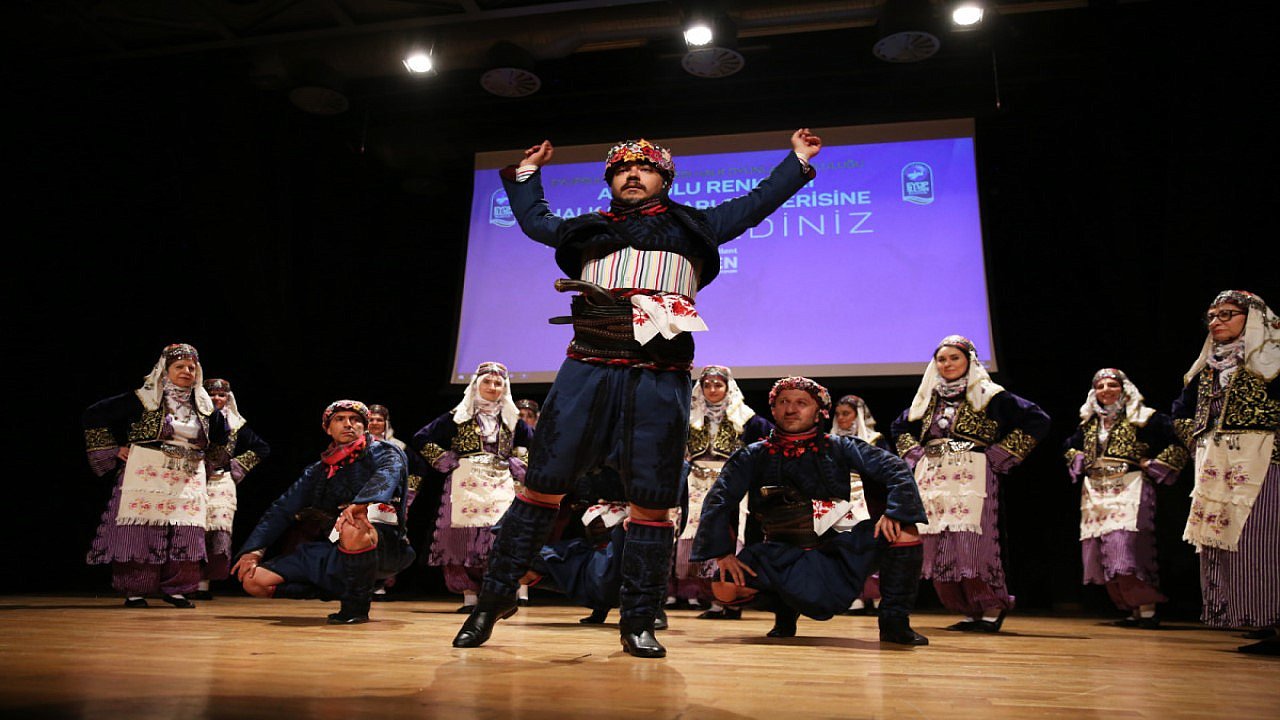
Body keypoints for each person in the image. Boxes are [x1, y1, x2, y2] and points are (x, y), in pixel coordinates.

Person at [452, 129, 822, 658]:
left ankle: (640, 618)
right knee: (541, 485)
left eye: (645, 169)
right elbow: (536, 222)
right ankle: (492, 601)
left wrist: (798, 160)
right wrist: (528, 173)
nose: (633, 174)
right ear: (610, 180)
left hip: (659, 372)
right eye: (622, 169)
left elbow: (757, 201)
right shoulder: (587, 229)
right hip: (588, 367)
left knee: (651, 501)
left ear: (664, 179)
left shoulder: (697, 226)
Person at [692, 377, 929, 645]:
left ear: (820, 411)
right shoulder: (754, 454)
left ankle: (894, 623)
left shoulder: (839, 446)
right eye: (783, 402)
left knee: (904, 532)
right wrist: (723, 553)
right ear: (773, 409)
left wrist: (895, 512)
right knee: (723, 587)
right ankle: (785, 613)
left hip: (837, 530)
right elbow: (720, 498)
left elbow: (895, 469)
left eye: (801, 403)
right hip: (780, 541)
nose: (790, 409)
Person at [890, 334, 1050, 633]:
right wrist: (915, 455)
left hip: (972, 475)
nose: (947, 364)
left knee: (972, 544)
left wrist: (999, 455)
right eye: (942, 359)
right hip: (934, 478)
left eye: (954, 358)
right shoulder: (928, 397)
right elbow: (899, 426)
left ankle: (990, 608)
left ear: (969, 361)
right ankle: (966, 610)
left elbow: (1037, 419)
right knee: (939, 543)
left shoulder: (990, 395)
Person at [231, 400, 414, 624]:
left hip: (384, 544)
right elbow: (282, 509)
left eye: (355, 420)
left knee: (353, 525)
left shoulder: (385, 451)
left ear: (364, 427)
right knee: (253, 580)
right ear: (327, 428)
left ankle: (355, 607)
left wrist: (361, 504)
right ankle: (346, 587)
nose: (348, 424)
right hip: (334, 548)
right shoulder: (318, 470)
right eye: (340, 419)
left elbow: (389, 471)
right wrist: (254, 551)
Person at [1173, 290, 1279, 655]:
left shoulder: (1272, 360)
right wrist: (1197, 439)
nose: (1216, 321)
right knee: (1225, 541)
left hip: (1265, 462)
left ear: (1252, 318)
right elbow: (1181, 413)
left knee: (1262, 541)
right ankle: (1259, 619)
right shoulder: (1206, 369)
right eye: (1212, 316)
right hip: (1216, 466)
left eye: (1227, 314)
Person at [82, 343, 229, 608]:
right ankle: (135, 590)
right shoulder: (144, 398)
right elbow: (95, 414)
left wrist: (208, 464)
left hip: (187, 473)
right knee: (141, 529)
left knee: (186, 530)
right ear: (165, 369)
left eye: (191, 368)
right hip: (148, 470)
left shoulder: (205, 407)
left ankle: (178, 589)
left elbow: (222, 438)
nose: (186, 371)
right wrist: (113, 449)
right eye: (179, 367)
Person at [1063, 369, 1186, 628]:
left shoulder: (1145, 418)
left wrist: (1153, 464)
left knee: (1127, 547)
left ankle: (1148, 608)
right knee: (1103, 549)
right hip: (1096, 491)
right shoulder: (1089, 422)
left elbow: (1177, 443)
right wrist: (1077, 458)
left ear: (1124, 388)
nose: (1106, 390)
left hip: (1130, 488)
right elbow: (1070, 446)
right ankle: (1133, 609)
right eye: (1100, 386)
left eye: (1112, 385)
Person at [415, 362, 532, 613]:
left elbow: (533, 445)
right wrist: (446, 460)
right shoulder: (459, 416)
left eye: (498, 383)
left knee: (496, 538)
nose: (492, 387)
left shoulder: (512, 420)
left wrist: (517, 462)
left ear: (505, 387)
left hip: (499, 484)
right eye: (487, 382)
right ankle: (469, 596)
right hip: (464, 484)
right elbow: (421, 438)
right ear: (476, 385)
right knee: (461, 538)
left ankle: (495, 595)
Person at [676, 365, 773, 619]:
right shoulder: (689, 417)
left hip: (731, 486)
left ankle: (732, 600)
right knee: (696, 538)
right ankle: (714, 600)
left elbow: (766, 448)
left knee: (726, 539)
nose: (712, 390)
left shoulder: (748, 419)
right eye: (707, 385)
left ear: (728, 388)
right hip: (696, 486)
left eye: (718, 385)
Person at [193, 378, 271, 601]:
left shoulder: (235, 423)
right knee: (191, 530)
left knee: (216, 533)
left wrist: (233, 467)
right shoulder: (193, 418)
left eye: (222, 395)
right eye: (212, 394)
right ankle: (180, 583)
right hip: (190, 479)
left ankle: (203, 585)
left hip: (220, 482)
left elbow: (262, 448)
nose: (217, 398)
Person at [830, 394, 891, 615]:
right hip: (837, 500)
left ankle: (875, 595)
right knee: (843, 546)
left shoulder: (875, 439)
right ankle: (852, 595)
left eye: (846, 413)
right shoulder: (830, 440)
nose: (842, 418)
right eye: (838, 414)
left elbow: (888, 470)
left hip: (869, 499)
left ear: (858, 414)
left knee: (870, 545)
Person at [366, 403, 425, 600]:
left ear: (386, 423)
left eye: (379, 419)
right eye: (371, 419)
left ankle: (380, 583)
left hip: (390, 501)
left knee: (386, 539)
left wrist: (409, 494)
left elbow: (418, 470)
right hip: (358, 500)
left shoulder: (398, 447)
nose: (375, 423)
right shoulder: (355, 445)